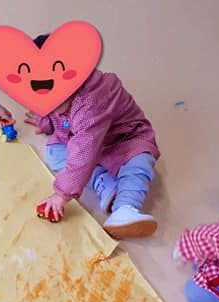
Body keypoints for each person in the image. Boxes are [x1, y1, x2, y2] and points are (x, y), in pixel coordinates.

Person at [27, 34, 161, 239]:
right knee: (54, 152)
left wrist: (61, 195)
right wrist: (46, 122)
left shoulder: (91, 103)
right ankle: (105, 183)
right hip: (83, 139)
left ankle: (125, 208)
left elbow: (83, 152)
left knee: (139, 163)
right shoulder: (57, 93)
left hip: (124, 140)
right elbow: (62, 119)